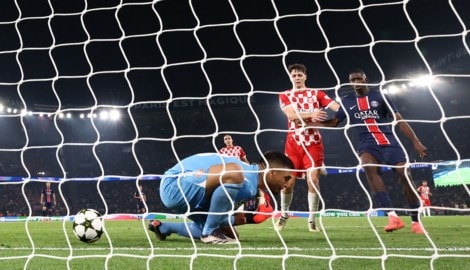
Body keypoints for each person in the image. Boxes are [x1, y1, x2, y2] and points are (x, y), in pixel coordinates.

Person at [319, 68, 428, 234]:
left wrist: (416, 141)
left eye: (358, 79)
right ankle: (393, 217)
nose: (355, 82)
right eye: (352, 80)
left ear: (365, 79)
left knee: (404, 174)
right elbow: (334, 122)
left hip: (389, 141)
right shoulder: (347, 101)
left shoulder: (380, 96)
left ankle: (415, 221)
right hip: (367, 144)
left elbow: (399, 120)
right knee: (368, 167)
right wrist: (309, 124)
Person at [148, 151, 294, 244]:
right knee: (234, 173)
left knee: (232, 236)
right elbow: (231, 176)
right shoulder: (245, 176)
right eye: (286, 178)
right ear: (272, 172)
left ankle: (163, 227)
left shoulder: (249, 182)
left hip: (188, 192)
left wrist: (236, 221)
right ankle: (209, 232)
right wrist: (234, 219)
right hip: (175, 185)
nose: (287, 185)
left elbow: (219, 212)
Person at [276, 63, 340, 232]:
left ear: (305, 76)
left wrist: (338, 116)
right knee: (287, 183)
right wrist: (312, 115)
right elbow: (291, 115)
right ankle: (284, 214)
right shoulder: (284, 95)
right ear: (290, 77)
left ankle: (312, 220)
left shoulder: (316, 93)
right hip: (293, 144)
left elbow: (337, 108)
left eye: (299, 75)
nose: (297, 77)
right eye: (294, 75)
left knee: (314, 181)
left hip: (313, 144)